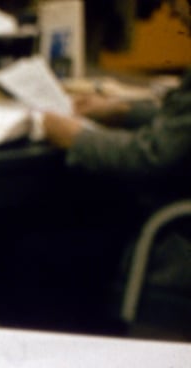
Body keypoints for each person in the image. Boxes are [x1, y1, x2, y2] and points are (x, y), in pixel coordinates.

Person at [40, 0, 191, 304]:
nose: (171, 12)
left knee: (37, 248)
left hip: (176, 239)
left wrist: (75, 138)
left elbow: (151, 155)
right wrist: (124, 112)